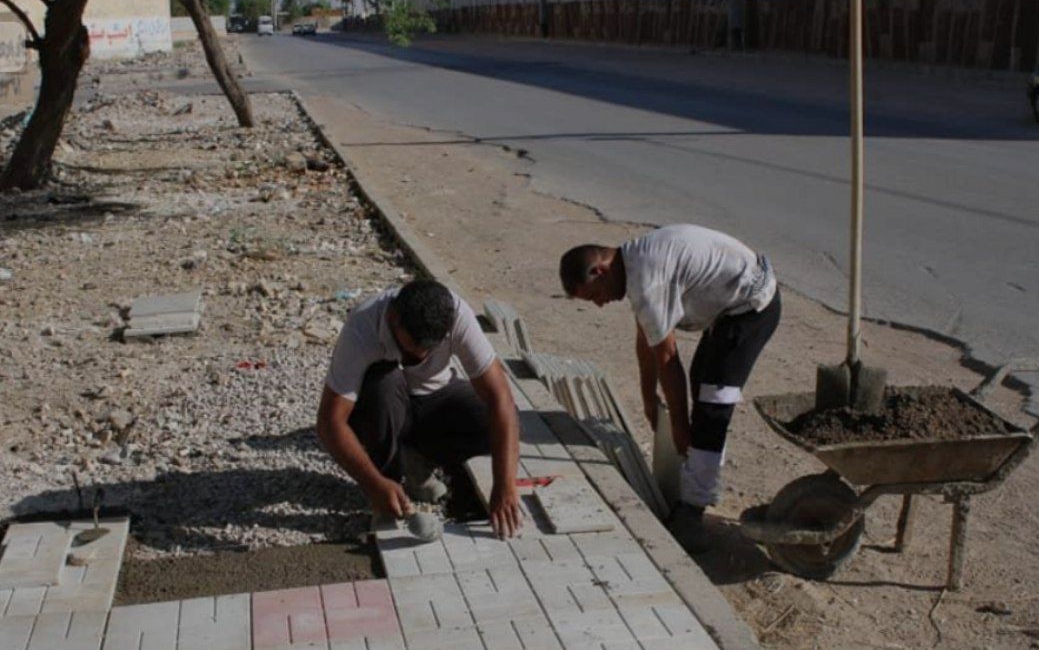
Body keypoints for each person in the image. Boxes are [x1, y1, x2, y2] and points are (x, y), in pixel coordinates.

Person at [559, 224, 780, 553]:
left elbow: (666, 358)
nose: (599, 304)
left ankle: (692, 513)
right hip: (730, 307)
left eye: (594, 295)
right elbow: (645, 341)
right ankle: (696, 483)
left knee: (712, 402)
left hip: (751, 308)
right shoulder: (634, 263)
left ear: (599, 271)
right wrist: (649, 399)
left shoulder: (648, 280)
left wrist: (679, 425)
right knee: (698, 381)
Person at [316, 279, 522, 539]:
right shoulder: (362, 327)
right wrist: (373, 483)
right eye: (410, 352)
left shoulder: (456, 313)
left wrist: (505, 485)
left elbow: (500, 398)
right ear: (393, 318)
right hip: (385, 404)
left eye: (428, 352)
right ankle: (386, 492)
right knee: (383, 382)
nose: (418, 359)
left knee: (493, 422)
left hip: (435, 397)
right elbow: (330, 421)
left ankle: (419, 462)